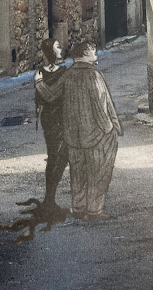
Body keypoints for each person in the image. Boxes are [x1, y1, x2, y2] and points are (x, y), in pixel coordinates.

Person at [35, 42, 123, 222]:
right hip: (95, 134)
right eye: (92, 49)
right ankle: (94, 211)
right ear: (83, 54)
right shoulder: (94, 75)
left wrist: (39, 83)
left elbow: (50, 95)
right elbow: (101, 105)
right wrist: (110, 128)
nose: (95, 52)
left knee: (77, 173)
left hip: (72, 136)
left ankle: (78, 207)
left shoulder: (68, 74)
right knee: (98, 172)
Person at [33, 38, 69, 221]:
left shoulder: (62, 72)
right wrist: (40, 86)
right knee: (55, 155)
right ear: (50, 51)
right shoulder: (41, 73)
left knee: (62, 155)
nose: (61, 49)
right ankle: (49, 200)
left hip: (62, 117)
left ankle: (50, 199)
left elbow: (51, 94)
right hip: (50, 119)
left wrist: (40, 85)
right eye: (57, 47)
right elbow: (50, 96)